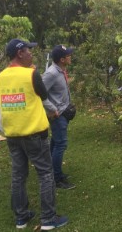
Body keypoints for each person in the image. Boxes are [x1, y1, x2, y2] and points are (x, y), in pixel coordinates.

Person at [0, 38, 68, 230]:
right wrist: (32, 71)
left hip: (12, 134)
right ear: (20, 53)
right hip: (34, 133)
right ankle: (48, 219)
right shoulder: (31, 74)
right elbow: (43, 95)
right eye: (28, 51)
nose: (31, 54)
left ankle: (21, 218)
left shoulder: (0, 77)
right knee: (45, 174)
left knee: (18, 176)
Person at [42, 45, 75, 190]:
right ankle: (56, 178)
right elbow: (40, 94)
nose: (70, 57)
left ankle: (51, 172)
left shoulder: (61, 70)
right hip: (57, 115)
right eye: (68, 55)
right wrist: (52, 109)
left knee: (55, 143)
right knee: (61, 144)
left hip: (63, 112)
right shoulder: (51, 74)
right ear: (62, 59)